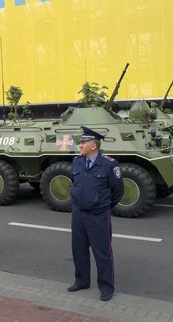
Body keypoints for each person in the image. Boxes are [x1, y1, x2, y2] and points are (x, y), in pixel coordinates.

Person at [68, 126, 124, 302]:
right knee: (79, 250)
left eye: (83, 142)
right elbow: (76, 184)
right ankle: (82, 280)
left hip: (98, 215)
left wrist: (103, 205)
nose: (80, 145)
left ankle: (106, 287)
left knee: (103, 253)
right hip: (78, 214)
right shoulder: (77, 162)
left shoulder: (109, 165)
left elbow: (118, 191)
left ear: (94, 146)